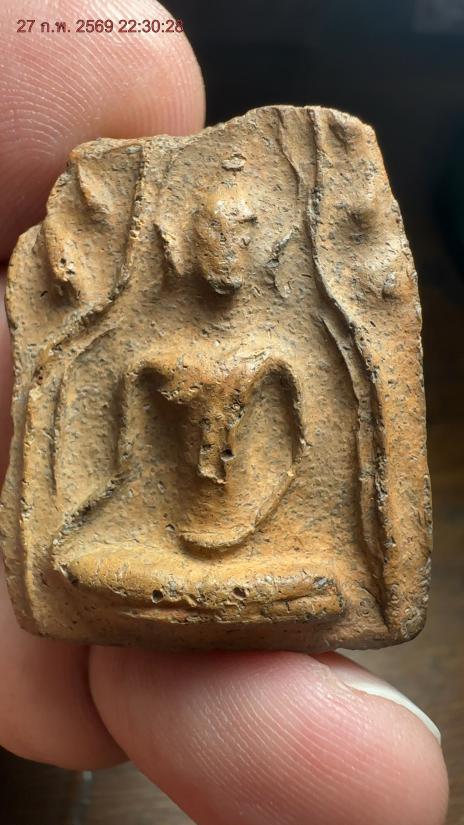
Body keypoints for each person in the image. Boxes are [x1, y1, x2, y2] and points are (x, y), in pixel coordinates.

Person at [0, 3, 448, 823]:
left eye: (241, 237)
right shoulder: (149, 360)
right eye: (211, 238)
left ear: (267, 247)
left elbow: (307, 457)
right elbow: (124, 471)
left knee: (314, 583)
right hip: (163, 545)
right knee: (85, 573)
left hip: (264, 548)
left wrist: (253, 519)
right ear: (180, 249)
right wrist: (90, 531)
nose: (226, 255)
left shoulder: (280, 358)